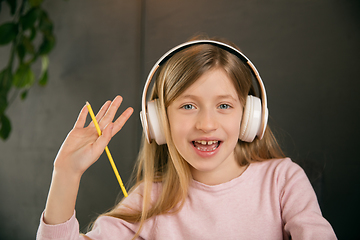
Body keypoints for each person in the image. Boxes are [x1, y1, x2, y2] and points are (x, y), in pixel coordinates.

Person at [37, 36, 337, 239]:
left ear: (250, 117)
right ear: (159, 122)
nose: (206, 124)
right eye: (188, 106)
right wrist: (66, 174)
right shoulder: (149, 199)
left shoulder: (282, 180)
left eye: (224, 106)